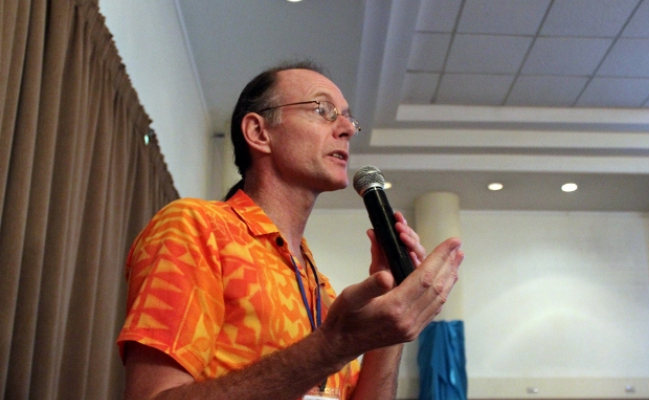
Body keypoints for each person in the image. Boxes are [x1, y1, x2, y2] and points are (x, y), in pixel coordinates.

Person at [117, 60, 464, 400]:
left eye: (348, 117)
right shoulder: (196, 227)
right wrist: (331, 346)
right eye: (323, 110)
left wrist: (389, 323)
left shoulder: (320, 287)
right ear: (259, 133)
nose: (347, 129)